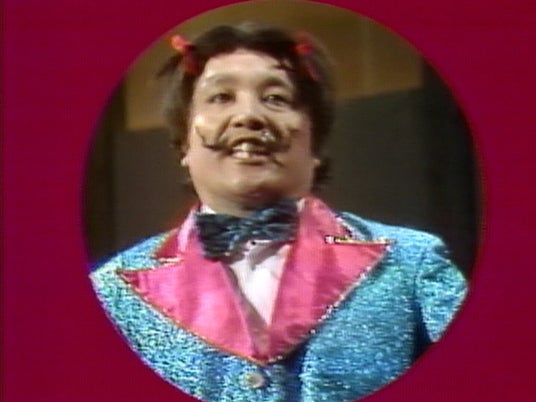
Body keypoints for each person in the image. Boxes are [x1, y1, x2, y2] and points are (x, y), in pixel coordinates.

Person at [90, 22, 467, 402]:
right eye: (221, 97)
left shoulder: (411, 265)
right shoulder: (111, 294)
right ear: (183, 145)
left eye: (275, 98)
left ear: (315, 144)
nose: (248, 116)